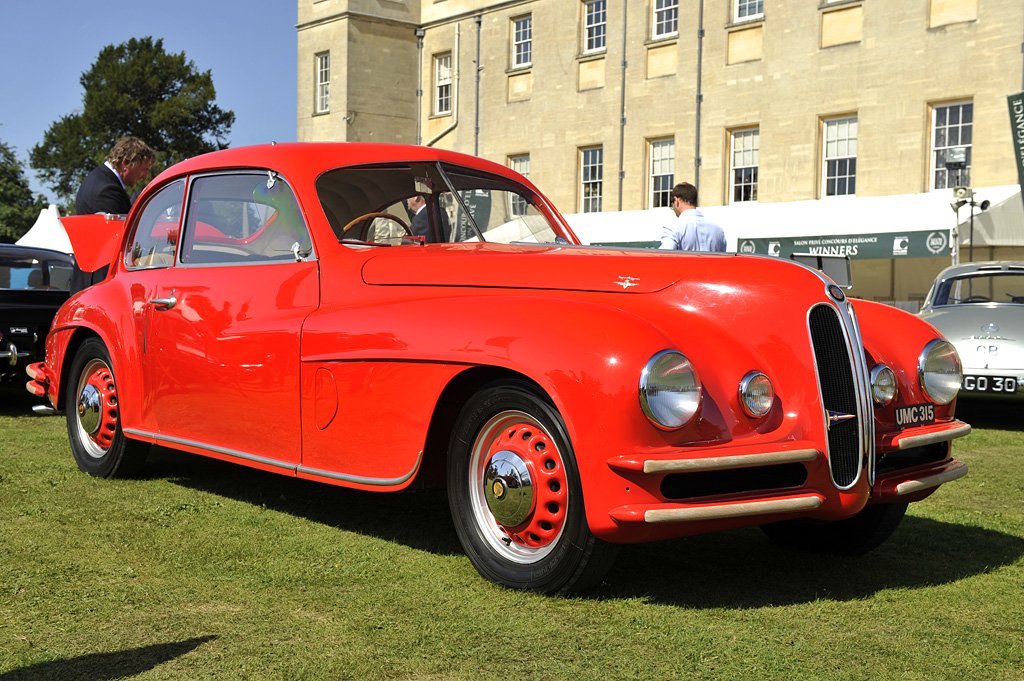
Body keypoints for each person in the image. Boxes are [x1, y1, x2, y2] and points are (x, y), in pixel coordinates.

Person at [71, 137, 156, 292]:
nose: (144, 176)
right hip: (98, 286)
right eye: (144, 169)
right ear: (125, 163)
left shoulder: (97, 178)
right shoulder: (108, 190)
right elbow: (119, 243)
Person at [659, 182, 727, 253]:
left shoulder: (672, 228)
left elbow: (664, 255)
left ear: (676, 201)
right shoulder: (718, 230)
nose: (672, 208)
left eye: (672, 205)